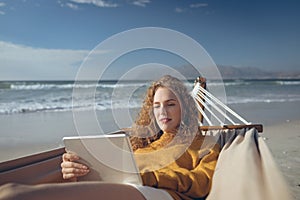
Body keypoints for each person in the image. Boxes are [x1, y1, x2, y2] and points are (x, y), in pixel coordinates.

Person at [61, 75, 220, 200]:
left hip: (160, 195)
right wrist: (78, 172)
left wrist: (151, 177)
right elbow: (113, 174)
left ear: (184, 108)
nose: (162, 112)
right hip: (120, 190)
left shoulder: (202, 145)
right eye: (157, 106)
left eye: (170, 104)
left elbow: (202, 182)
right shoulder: (140, 145)